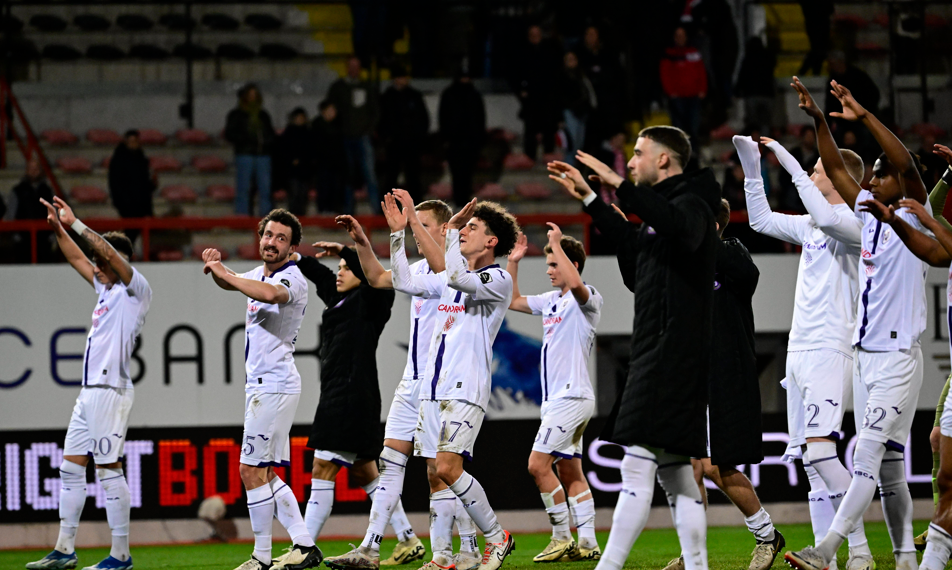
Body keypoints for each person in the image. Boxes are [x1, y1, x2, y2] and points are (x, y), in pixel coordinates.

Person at [549, 125, 722, 570]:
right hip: (663, 352)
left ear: (664, 160)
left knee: (636, 467)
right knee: (677, 476)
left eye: (638, 154)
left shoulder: (693, 204)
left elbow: (676, 226)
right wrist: (591, 198)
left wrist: (616, 183)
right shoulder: (663, 215)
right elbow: (632, 243)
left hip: (670, 356)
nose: (630, 162)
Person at [328, 196, 521, 570]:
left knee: (446, 470)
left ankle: (490, 539)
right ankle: (447, 554)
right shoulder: (446, 279)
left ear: (492, 241)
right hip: (434, 388)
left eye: (472, 229)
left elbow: (457, 276)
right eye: (462, 227)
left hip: (465, 388)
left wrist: (422, 224)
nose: (464, 231)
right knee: (440, 470)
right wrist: (397, 235)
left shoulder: (497, 278)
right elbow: (398, 278)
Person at [784, 78, 929, 570]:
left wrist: (864, 116)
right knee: (888, 468)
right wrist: (821, 121)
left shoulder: (915, 217)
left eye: (880, 177)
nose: (870, 184)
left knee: (865, 457)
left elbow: (905, 163)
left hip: (896, 358)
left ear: (902, 186)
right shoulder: (866, 221)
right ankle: (907, 558)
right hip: (866, 357)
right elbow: (839, 175)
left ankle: (827, 553)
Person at [737, 132, 874, 570]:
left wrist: (791, 165)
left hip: (831, 349)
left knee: (820, 453)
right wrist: (753, 169)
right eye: (810, 170)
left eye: (817, 170)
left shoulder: (856, 223)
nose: (811, 175)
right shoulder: (812, 224)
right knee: (811, 466)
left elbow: (831, 220)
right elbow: (760, 220)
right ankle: (822, 559)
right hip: (799, 351)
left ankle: (861, 553)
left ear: (837, 177)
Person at [27, 197, 152, 570]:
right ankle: (65, 549)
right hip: (89, 394)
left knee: (108, 469)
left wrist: (78, 224)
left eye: (102, 262)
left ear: (118, 261)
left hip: (110, 391)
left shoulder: (136, 291)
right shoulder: (106, 289)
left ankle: (121, 555)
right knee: (70, 467)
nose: (95, 267)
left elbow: (102, 255)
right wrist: (58, 228)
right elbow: (77, 257)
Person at [290, 226, 420, 563]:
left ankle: (303, 547)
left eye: (347, 270)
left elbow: (370, 274)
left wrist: (349, 251)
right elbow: (321, 277)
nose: (340, 273)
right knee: (366, 472)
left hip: (350, 397)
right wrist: (298, 259)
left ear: (363, 275)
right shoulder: (341, 300)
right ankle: (407, 539)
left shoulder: (373, 301)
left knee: (321, 466)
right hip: (344, 394)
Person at [201, 209, 321, 570]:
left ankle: (262, 558)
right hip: (264, 386)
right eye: (268, 235)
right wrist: (217, 270)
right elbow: (234, 281)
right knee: (265, 473)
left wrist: (226, 273)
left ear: (292, 247)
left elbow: (269, 295)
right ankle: (304, 545)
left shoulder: (294, 278)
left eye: (281, 238)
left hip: (275, 386)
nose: (272, 242)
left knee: (249, 471)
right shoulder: (257, 274)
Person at [506, 226, 603, 562]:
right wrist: (514, 262)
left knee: (537, 465)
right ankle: (588, 543)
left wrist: (555, 243)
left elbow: (576, 285)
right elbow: (513, 301)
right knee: (570, 471)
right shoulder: (550, 301)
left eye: (553, 264)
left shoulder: (587, 298)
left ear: (571, 264)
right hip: (558, 401)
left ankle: (561, 536)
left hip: (572, 397)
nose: (548, 270)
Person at [327, 56, 381, 214]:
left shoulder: (367, 87)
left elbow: (376, 111)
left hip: (363, 137)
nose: (354, 69)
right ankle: (348, 212)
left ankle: (377, 212)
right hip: (344, 138)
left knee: (370, 176)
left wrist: (369, 129)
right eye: (351, 66)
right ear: (346, 67)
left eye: (357, 66)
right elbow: (330, 111)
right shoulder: (338, 87)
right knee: (347, 177)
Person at [379, 65, 430, 203]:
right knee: (391, 177)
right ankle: (388, 208)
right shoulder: (387, 97)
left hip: (412, 144)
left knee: (413, 177)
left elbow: (423, 119)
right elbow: (382, 120)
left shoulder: (414, 95)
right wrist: (386, 139)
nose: (402, 80)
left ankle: (416, 207)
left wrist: (419, 138)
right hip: (393, 144)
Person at [512, 24, 562, 161]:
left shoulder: (549, 51)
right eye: (532, 34)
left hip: (547, 95)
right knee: (530, 126)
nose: (535, 37)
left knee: (549, 125)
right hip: (531, 96)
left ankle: (548, 152)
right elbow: (515, 74)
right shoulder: (522, 52)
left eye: (537, 34)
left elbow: (555, 73)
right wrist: (521, 91)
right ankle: (530, 154)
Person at [225, 83, 276, 216]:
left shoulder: (263, 115)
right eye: (250, 95)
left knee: (265, 189)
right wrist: (247, 139)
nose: (253, 98)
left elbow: (271, 134)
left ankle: (265, 217)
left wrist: (266, 142)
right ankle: (242, 216)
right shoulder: (236, 114)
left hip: (262, 155)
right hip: (245, 154)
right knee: (243, 189)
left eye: (255, 95)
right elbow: (230, 134)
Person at [439, 68, 486, 207]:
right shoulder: (449, 94)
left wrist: (479, 140)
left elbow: (480, 119)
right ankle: (458, 200)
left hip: (471, 142)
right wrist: (446, 139)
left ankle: (465, 200)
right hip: (454, 143)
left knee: (468, 174)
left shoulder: (475, 95)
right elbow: (443, 118)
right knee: (457, 173)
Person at [659, 27, 707, 143]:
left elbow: (701, 71)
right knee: (679, 128)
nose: (681, 38)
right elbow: (665, 74)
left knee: (694, 125)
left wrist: (702, 89)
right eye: (678, 35)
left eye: (683, 35)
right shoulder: (669, 54)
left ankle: (694, 152)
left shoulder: (693, 52)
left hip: (694, 95)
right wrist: (670, 92)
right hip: (678, 97)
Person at [7, 156, 55, 262]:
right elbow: (10, 215)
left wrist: (52, 236)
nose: (33, 171)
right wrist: (16, 236)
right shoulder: (17, 191)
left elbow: (54, 213)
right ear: (26, 170)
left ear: (40, 171)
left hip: (44, 241)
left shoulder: (47, 191)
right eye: (30, 168)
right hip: (22, 242)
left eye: (36, 168)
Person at [108, 130, 156, 234]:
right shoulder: (118, 160)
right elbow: (115, 184)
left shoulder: (141, 158)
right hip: (127, 206)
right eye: (131, 141)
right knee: (130, 232)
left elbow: (144, 182)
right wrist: (121, 202)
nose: (133, 144)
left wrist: (152, 185)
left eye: (135, 141)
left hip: (141, 205)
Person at [276, 108, 315, 217]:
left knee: (303, 195)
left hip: (305, 171)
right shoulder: (288, 134)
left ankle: (301, 217)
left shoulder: (308, 133)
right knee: (293, 195)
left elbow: (311, 151)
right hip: (292, 172)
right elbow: (283, 151)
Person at [733, 37, 777, 135]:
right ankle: (765, 142)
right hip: (767, 94)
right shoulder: (768, 57)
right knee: (765, 122)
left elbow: (742, 76)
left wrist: (737, 91)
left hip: (752, 94)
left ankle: (755, 143)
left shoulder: (748, 58)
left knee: (753, 123)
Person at [559, 51, 595, 169]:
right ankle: (567, 172)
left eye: (573, 59)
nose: (571, 62)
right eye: (568, 59)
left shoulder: (582, 75)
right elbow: (558, 97)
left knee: (579, 145)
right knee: (571, 144)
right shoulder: (562, 76)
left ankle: (573, 171)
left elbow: (587, 94)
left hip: (582, 113)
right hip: (570, 112)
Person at [312, 101, 347, 213]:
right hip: (323, 164)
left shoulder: (339, 125)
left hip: (336, 165)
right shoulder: (317, 125)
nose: (334, 113)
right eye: (331, 110)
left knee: (336, 189)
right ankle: (323, 211)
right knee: (324, 188)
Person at [775, 127, 819, 214]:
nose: (810, 138)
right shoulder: (794, 153)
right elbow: (784, 176)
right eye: (807, 136)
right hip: (794, 189)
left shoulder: (818, 156)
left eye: (812, 136)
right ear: (802, 137)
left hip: (812, 190)